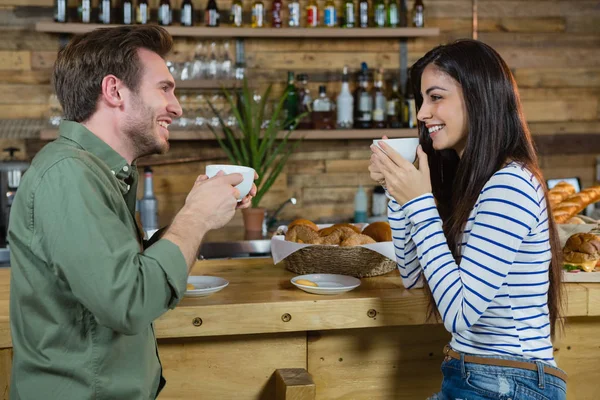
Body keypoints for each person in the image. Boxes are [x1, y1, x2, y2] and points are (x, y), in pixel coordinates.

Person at [8, 26, 257, 399]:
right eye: (164, 88)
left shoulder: (94, 171)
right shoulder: (69, 175)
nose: (177, 107)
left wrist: (193, 214)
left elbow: (126, 272)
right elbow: (129, 301)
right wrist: (196, 217)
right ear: (114, 91)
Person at [369, 39, 567, 399]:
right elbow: (412, 275)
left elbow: (459, 312)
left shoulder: (511, 184)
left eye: (436, 97)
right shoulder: (474, 183)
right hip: (478, 376)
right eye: (422, 99)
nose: (422, 114)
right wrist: (397, 191)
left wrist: (418, 203)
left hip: (510, 383)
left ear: (477, 98)